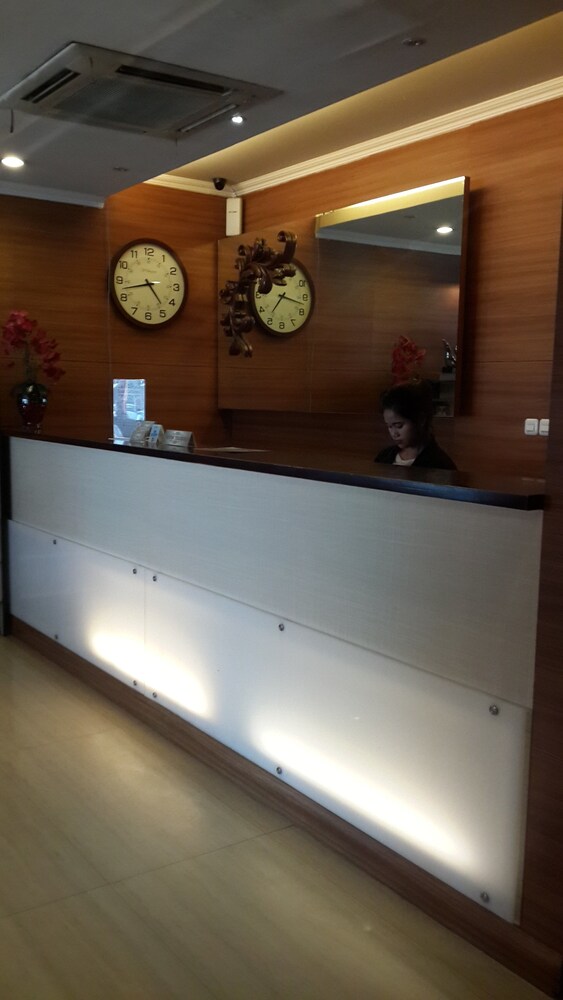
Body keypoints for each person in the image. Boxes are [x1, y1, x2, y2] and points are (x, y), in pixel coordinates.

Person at [375, 381, 457, 470]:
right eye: (389, 426)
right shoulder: (384, 457)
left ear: (421, 420)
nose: (394, 434)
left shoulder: (440, 465)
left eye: (399, 426)